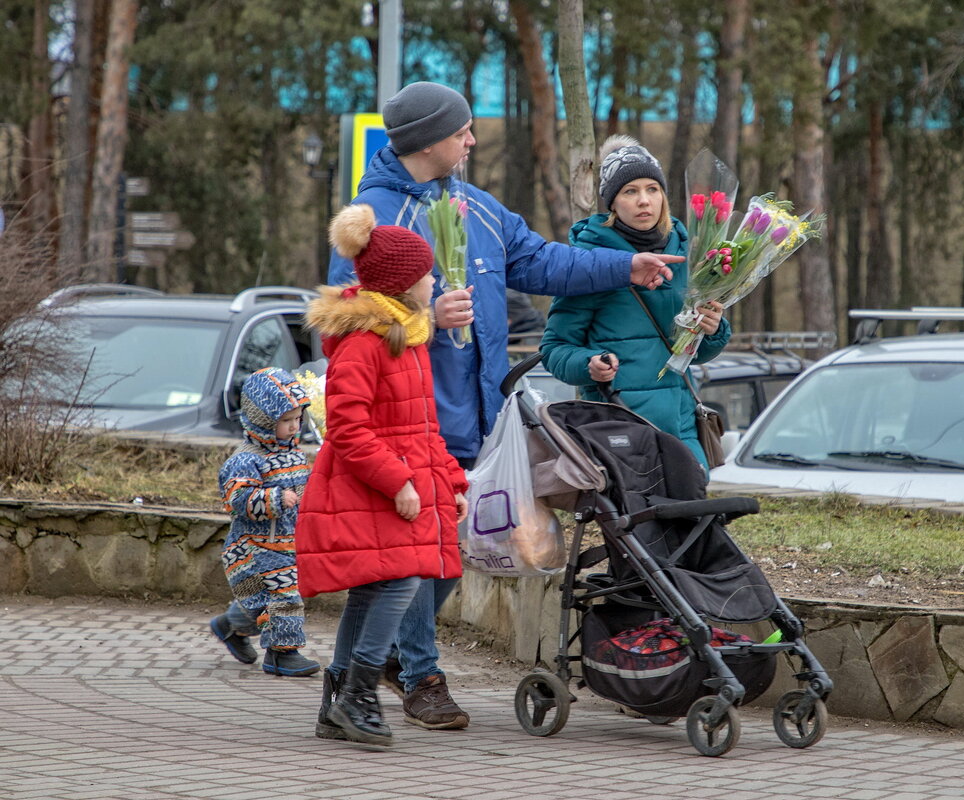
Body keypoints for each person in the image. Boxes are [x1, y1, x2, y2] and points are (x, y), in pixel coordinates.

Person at [327, 81, 683, 730]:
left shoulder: (476, 207)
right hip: (408, 419)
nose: (471, 138)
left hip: (476, 417)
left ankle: (379, 664)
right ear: (431, 139)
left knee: (441, 555)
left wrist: (622, 270)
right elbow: (343, 318)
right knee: (417, 554)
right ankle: (418, 674)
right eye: (462, 130)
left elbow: (544, 263)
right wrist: (424, 315)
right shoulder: (373, 218)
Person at [297, 203, 469, 747]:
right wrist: (398, 483)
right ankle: (360, 693)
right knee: (400, 579)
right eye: (427, 275)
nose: (434, 281)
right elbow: (347, 428)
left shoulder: (408, 339)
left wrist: (451, 482)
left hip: (404, 484)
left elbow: (423, 428)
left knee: (375, 588)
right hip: (374, 486)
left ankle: (340, 701)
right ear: (401, 285)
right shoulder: (366, 343)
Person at [540, 135, 731, 470]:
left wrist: (712, 330)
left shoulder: (689, 253)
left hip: (682, 426)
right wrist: (589, 364)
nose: (644, 201)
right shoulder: (589, 263)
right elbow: (554, 349)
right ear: (612, 202)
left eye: (652, 189)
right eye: (630, 191)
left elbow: (695, 353)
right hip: (617, 430)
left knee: (696, 516)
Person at [210, 367, 321, 677]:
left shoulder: (294, 454)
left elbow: (301, 489)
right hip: (253, 546)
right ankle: (281, 653)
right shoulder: (247, 458)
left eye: (297, 419)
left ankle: (230, 625)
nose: (293, 426)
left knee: (260, 601)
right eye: (285, 421)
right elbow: (237, 499)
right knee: (283, 595)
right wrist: (273, 499)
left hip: (284, 542)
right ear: (263, 420)